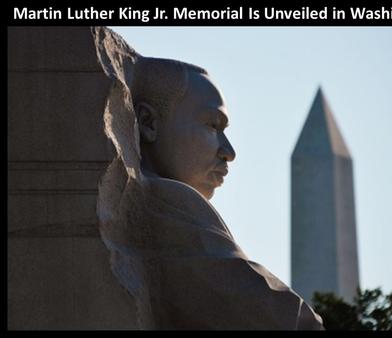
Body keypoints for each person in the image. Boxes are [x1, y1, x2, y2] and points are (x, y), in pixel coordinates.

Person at [93, 26, 324, 330]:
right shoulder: (168, 201)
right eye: (213, 125)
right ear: (148, 122)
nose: (229, 152)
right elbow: (276, 318)